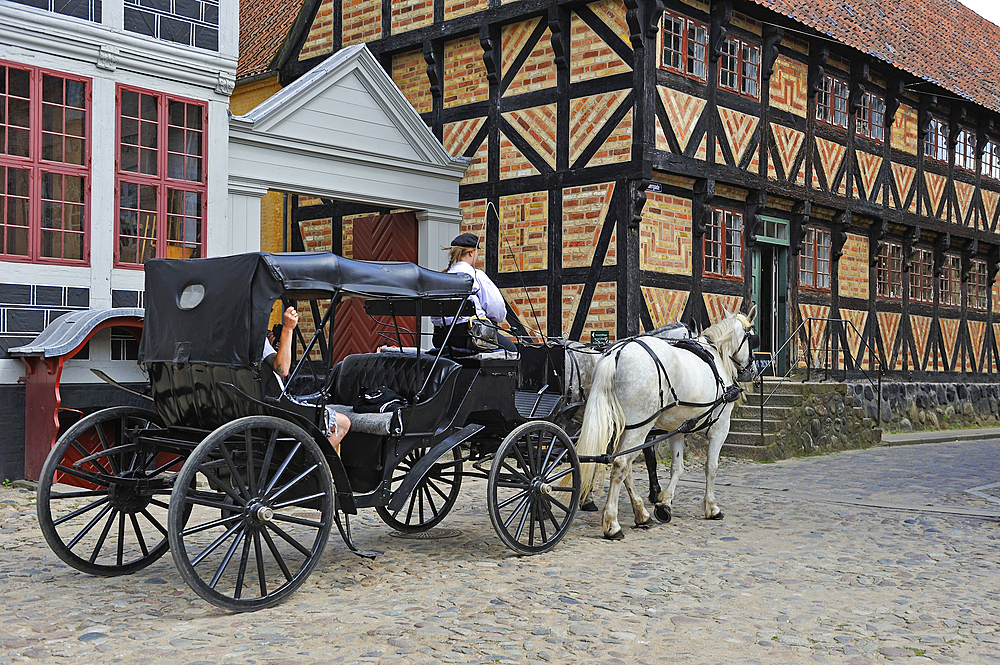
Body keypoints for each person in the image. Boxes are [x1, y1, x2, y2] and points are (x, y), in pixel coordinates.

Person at [264, 306, 351, 454]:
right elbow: (282, 369)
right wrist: (288, 329)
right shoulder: (258, 340)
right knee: (342, 423)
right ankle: (313, 468)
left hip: (243, 403)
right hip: (273, 407)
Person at [431, 233, 516, 353]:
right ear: (471, 253)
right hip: (471, 337)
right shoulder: (476, 275)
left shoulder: (442, 277)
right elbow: (498, 311)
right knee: (512, 350)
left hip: (442, 338)